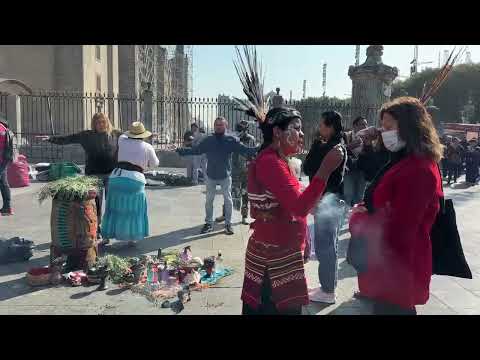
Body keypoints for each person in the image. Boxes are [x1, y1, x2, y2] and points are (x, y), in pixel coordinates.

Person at [241, 107, 344, 315]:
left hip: (281, 252)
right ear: (278, 133)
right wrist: (325, 168)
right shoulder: (270, 162)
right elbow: (300, 207)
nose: (302, 134)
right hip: (272, 259)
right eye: (296, 128)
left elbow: (292, 207)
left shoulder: (281, 161)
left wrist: (303, 240)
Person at [349, 97, 443, 315]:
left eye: (389, 126)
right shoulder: (403, 160)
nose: (384, 131)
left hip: (398, 268)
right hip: (389, 266)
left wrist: (360, 220)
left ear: (409, 127)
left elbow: (401, 227)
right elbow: (378, 178)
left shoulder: (418, 169)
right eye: (382, 126)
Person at [37, 113, 121, 241]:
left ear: (107, 122)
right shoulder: (87, 136)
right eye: (97, 122)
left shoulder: (115, 134)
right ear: (94, 124)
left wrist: (146, 137)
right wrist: (51, 138)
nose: (100, 125)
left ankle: (108, 232)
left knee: (111, 204)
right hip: (94, 175)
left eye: (103, 122)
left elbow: (132, 137)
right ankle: (96, 230)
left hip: (111, 175)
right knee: (95, 205)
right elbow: (68, 139)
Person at [177, 117, 257, 235]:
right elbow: (197, 150)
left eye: (221, 125)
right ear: (214, 126)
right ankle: (209, 223)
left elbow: (245, 150)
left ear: (226, 126)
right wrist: (182, 150)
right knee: (209, 200)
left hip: (225, 176)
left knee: (228, 200)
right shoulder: (208, 140)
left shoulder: (231, 140)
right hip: (211, 176)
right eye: (216, 125)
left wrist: (261, 148)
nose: (218, 127)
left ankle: (228, 224)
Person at [303, 111, 347, 304]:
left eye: (322, 125)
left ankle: (328, 291)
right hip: (331, 200)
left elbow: (308, 168)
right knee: (330, 246)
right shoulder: (335, 144)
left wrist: (315, 146)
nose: (319, 128)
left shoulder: (331, 147)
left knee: (325, 248)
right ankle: (328, 287)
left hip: (326, 200)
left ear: (330, 127)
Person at [101, 122, 159, 247]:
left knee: (112, 208)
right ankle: (132, 238)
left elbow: (121, 135)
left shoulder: (122, 140)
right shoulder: (148, 147)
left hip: (116, 177)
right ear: (143, 135)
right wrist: (145, 167)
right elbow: (155, 163)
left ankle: (106, 237)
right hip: (135, 180)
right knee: (134, 210)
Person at [343, 116, 368, 207]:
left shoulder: (368, 137)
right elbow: (339, 150)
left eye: (366, 124)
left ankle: (356, 218)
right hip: (349, 170)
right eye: (362, 124)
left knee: (360, 197)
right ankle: (345, 219)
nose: (365, 127)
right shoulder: (346, 136)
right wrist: (350, 146)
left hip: (362, 170)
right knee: (348, 195)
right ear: (355, 126)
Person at [0, 114, 14, 216]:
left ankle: (7, 208)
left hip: (1, 159)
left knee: (3, 183)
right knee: (3, 183)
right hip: (4, 159)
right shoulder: (3, 126)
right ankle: (7, 208)